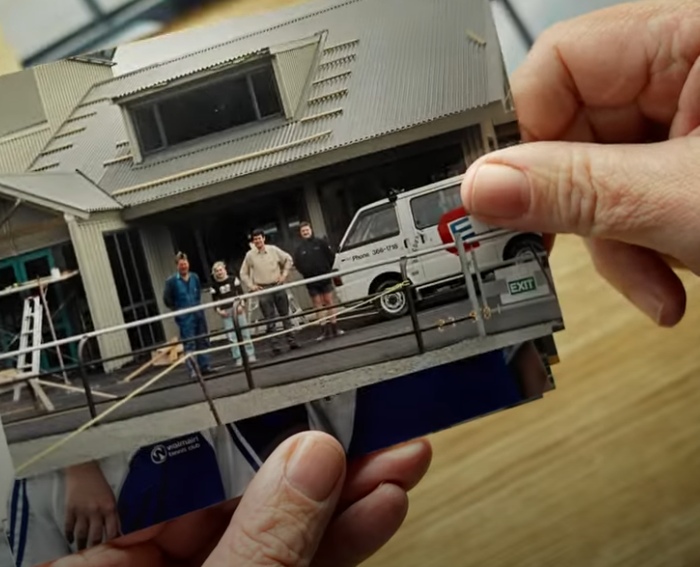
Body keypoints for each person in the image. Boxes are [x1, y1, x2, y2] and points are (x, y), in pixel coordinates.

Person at [19, 1, 700, 565]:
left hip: (311, 349)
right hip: (227, 346)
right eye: (241, 248)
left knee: (332, 341)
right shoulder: (202, 345)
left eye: (250, 245)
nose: (248, 249)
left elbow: (295, 273)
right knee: (253, 367)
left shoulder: (301, 260)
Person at [239, 229, 299, 355]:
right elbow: (243, 273)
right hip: (263, 288)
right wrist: (252, 286)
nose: (258, 241)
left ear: (263, 238)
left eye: (259, 238)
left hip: (277, 285)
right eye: (255, 239)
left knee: (285, 315)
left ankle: (292, 341)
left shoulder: (273, 249)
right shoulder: (250, 255)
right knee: (269, 319)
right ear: (253, 241)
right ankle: (275, 346)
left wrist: (284, 275)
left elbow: (288, 259)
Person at [162, 252, 213, 378]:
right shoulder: (172, 282)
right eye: (181, 264)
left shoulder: (195, 277)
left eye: (185, 264)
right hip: (185, 316)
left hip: (198, 312)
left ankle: (205, 365)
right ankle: (193, 370)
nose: (184, 266)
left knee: (203, 339)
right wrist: (177, 310)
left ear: (188, 264)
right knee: (189, 342)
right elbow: (167, 299)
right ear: (177, 266)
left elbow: (198, 293)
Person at [293, 222, 344, 341]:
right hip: (311, 281)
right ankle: (324, 331)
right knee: (317, 305)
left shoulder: (321, 243)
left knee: (329, 301)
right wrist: (307, 273)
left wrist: (325, 270)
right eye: (303, 231)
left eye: (307, 230)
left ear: (311, 230)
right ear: (301, 233)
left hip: (324, 277)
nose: (306, 232)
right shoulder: (299, 249)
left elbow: (331, 257)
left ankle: (335, 328)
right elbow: (298, 264)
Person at [210, 261, 256, 367]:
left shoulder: (233, 279)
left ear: (224, 269)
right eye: (216, 271)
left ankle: (250, 354)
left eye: (220, 270)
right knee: (232, 336)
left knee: (244, 332)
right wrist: (219, 311)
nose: (219, 272)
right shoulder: (214, 286)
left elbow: (240, 293)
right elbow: (215, 300)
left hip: (237, 308)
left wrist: (242, 305)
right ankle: (238, 357)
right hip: (225, 312)